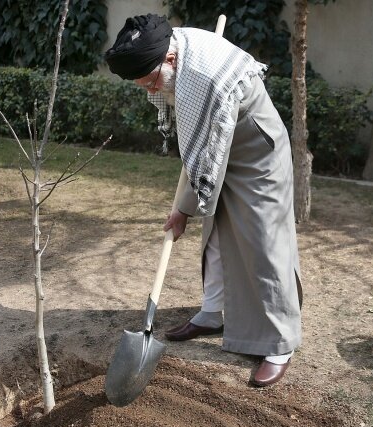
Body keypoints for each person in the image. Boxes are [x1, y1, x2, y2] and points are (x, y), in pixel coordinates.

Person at [104, 14, 302, 387]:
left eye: (150, 81)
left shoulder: (205, 81)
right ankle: (212, 313)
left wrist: (182, 209)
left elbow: (207, 157)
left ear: (171, 60)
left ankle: (279, 343)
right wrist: (187, 208)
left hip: (258, 157)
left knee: (264, 246)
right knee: (214, 236)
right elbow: (203, 155)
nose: (149, 91)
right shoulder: (174, 51)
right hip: (226, 145)